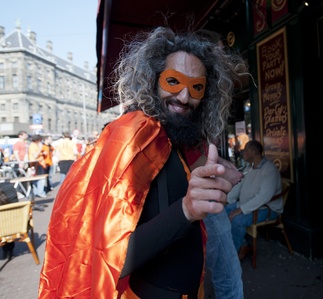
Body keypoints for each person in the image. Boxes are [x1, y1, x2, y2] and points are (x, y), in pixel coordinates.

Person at [38, 26, 247, 298]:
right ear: (152, 79)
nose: (185, 97)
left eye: (196, 88)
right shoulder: (134, 133)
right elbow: (113, 257)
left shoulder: (173, 136)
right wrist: (186, 208)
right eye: (174, 81)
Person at [190, 28, 244, 299]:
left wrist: (225, 167)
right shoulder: (197, 93)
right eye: (220, 52)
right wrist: (226, 171)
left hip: (197, 197)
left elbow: (200, 151)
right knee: (228, 274)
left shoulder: (203, 95)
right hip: (201, 197)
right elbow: (191, 157)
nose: (224, 58)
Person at [225, 140, 282, 259]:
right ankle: (244, 245)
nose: (243, 152)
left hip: (267, 209)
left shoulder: (269, 169)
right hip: (247, 205)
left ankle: (231, 258)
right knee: (222, 212)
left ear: (254, 152)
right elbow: (239, 186)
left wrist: (241, 209)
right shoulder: (249, 167)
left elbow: (264, 197)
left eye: (246, 150)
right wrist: (227, 199)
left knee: (237, 220)